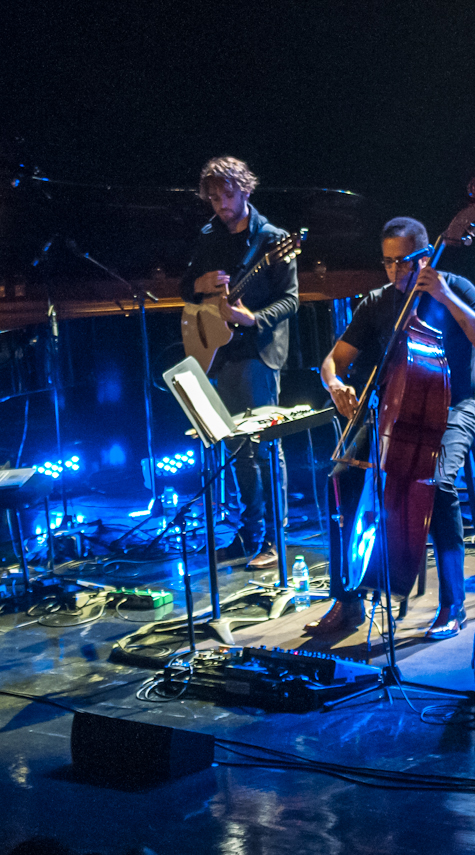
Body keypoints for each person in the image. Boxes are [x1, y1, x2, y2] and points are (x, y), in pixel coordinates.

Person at [308, 217, 475, 639]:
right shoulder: (377, 302)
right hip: (394, 412)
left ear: (425, 256)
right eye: (388, 263)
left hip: (455, 407)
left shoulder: (456, 287)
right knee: (339, 478)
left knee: (436, 483)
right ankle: (347, 601)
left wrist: (446, 295)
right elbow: (332, 361)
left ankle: (453, 605)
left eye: (405, 262)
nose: (396, 272)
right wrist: (335, 384)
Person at [179, 156, 299, 570]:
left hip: (258, 354)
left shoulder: (273, 240)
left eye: (226, 194)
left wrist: (253, 318)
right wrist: (199, 284)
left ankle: (274, 540)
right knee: (236, 449)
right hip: (219, 352)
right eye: (212, 197)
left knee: (263, 448)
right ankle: (250, 534)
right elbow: (185, 288)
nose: (219, 204)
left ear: (245, 189)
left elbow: (291, 299)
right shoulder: (208, 235)